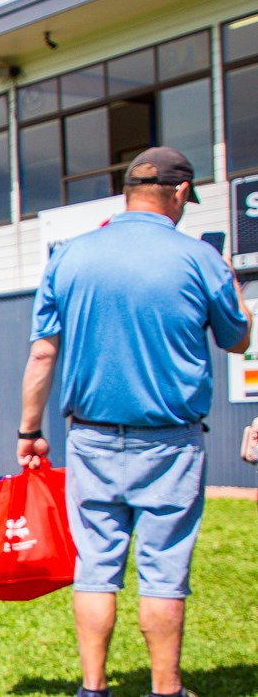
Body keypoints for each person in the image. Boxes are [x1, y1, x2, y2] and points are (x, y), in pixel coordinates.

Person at [17, 146, 249, 697]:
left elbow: (43, 355)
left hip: (91, 438)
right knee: (163, 569)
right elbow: (238, 339)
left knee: (96, 566)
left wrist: (29, 432)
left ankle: (93, 688)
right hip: (171, 440)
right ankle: (166, 689)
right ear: (182, 192)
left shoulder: (69, 257)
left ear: (127, 191)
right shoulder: (199, 259)